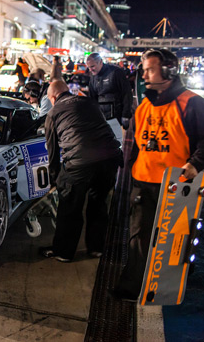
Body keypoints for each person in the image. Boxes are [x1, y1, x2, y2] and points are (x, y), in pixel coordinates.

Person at [112, 49, 204, 302]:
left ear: (169, 71)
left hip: (179, 187)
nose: (144, 75)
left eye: (149, 69)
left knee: (178, 238)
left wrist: (196, 163)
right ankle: (132, 287)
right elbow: (137, 146)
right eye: (144, 70)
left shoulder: (191, 103)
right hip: (144, 182)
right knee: (138, 236)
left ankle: (174, 280)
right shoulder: (143, 107)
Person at [40, 80, 122, 262]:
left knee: (70, 207)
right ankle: (96, 248)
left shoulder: (53, 113)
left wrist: (55, 179)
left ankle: (63, 252)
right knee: (98, 202)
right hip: (110, 158)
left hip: (80, 162)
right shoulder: (89, 102)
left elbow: (52, 152)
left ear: (52, 97)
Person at [86, 53, 133, 129]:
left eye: (92, 66)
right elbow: (92, 98)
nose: (90, 70)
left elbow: (126, 93)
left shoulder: (116, 72)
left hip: (117, 117)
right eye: (89, 67)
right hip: (101, 119)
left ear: (100, 62)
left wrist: (126, 115)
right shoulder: (93, 78)